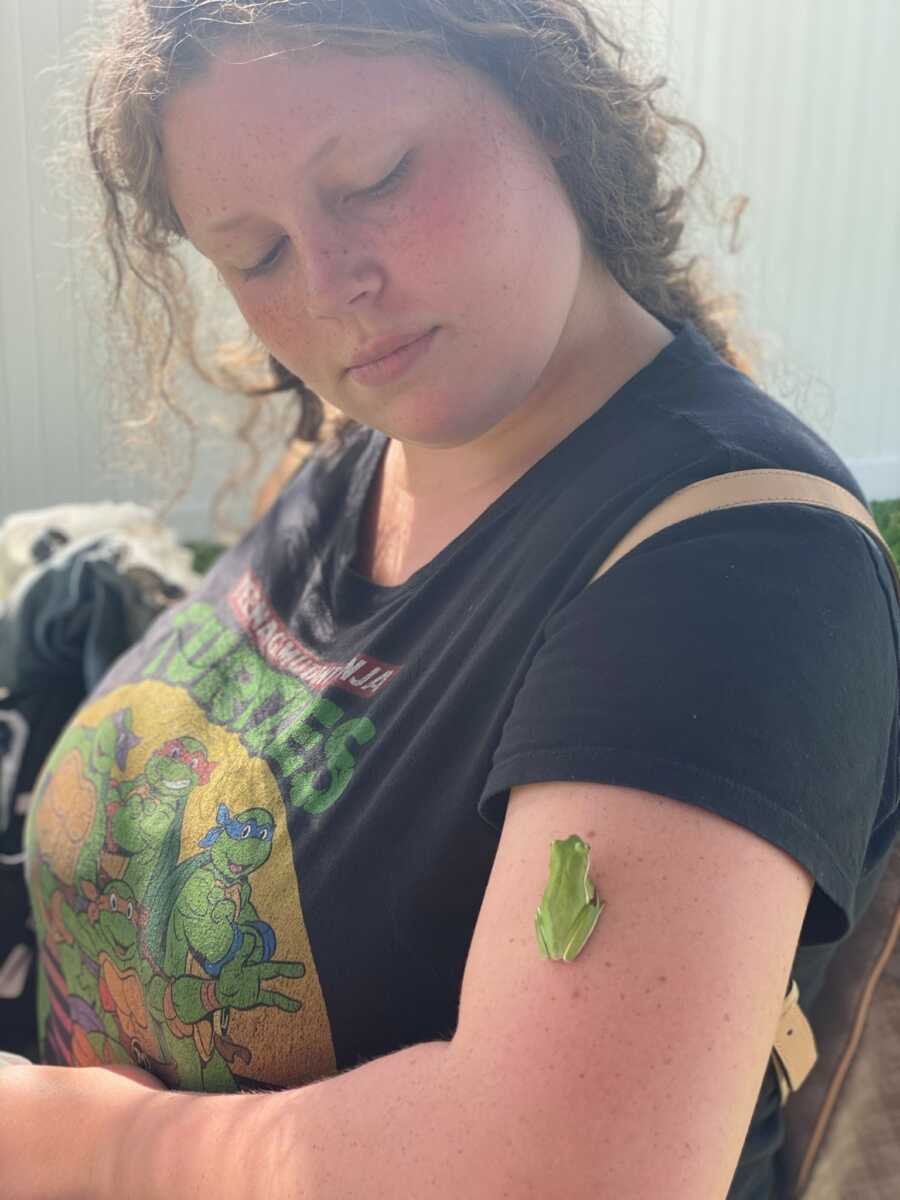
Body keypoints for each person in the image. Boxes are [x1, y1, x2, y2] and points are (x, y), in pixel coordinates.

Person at [2, 3, 897, 1198]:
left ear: (549, 103)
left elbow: (570, 1171)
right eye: (253, 254)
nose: (330, 289)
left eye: (376, 178)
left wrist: (97, 1147)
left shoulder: (733, 568)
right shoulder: (372, 444)